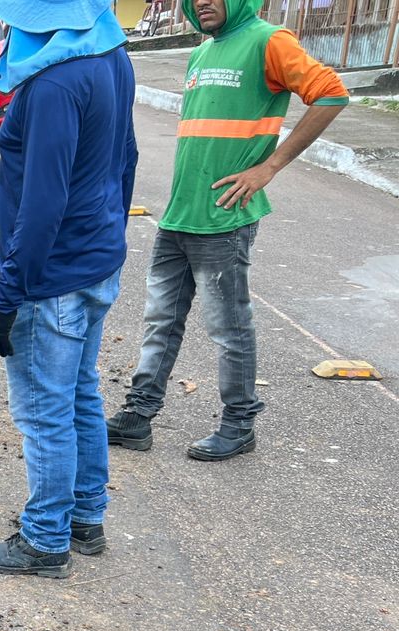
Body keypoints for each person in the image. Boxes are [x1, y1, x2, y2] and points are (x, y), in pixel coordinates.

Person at [107, 0, 348, 460]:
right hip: (179, 214)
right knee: (160, 320)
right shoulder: (202, 51)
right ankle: (138, 417)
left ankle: (239, 425)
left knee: (228, 327)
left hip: (224, 216)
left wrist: (269, 167)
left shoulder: (269, 41)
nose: (204, 2)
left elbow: (332, 94)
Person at [0, 0, 139, 577]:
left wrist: (8, 294)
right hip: (96, 263)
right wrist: (108, 231)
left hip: (53, 278)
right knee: (80, 394)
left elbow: (42, 207)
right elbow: (127, 158)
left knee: (44, 413)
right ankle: (86, 519)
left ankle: (45, 541)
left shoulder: (51, 85)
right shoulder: (111, 54)